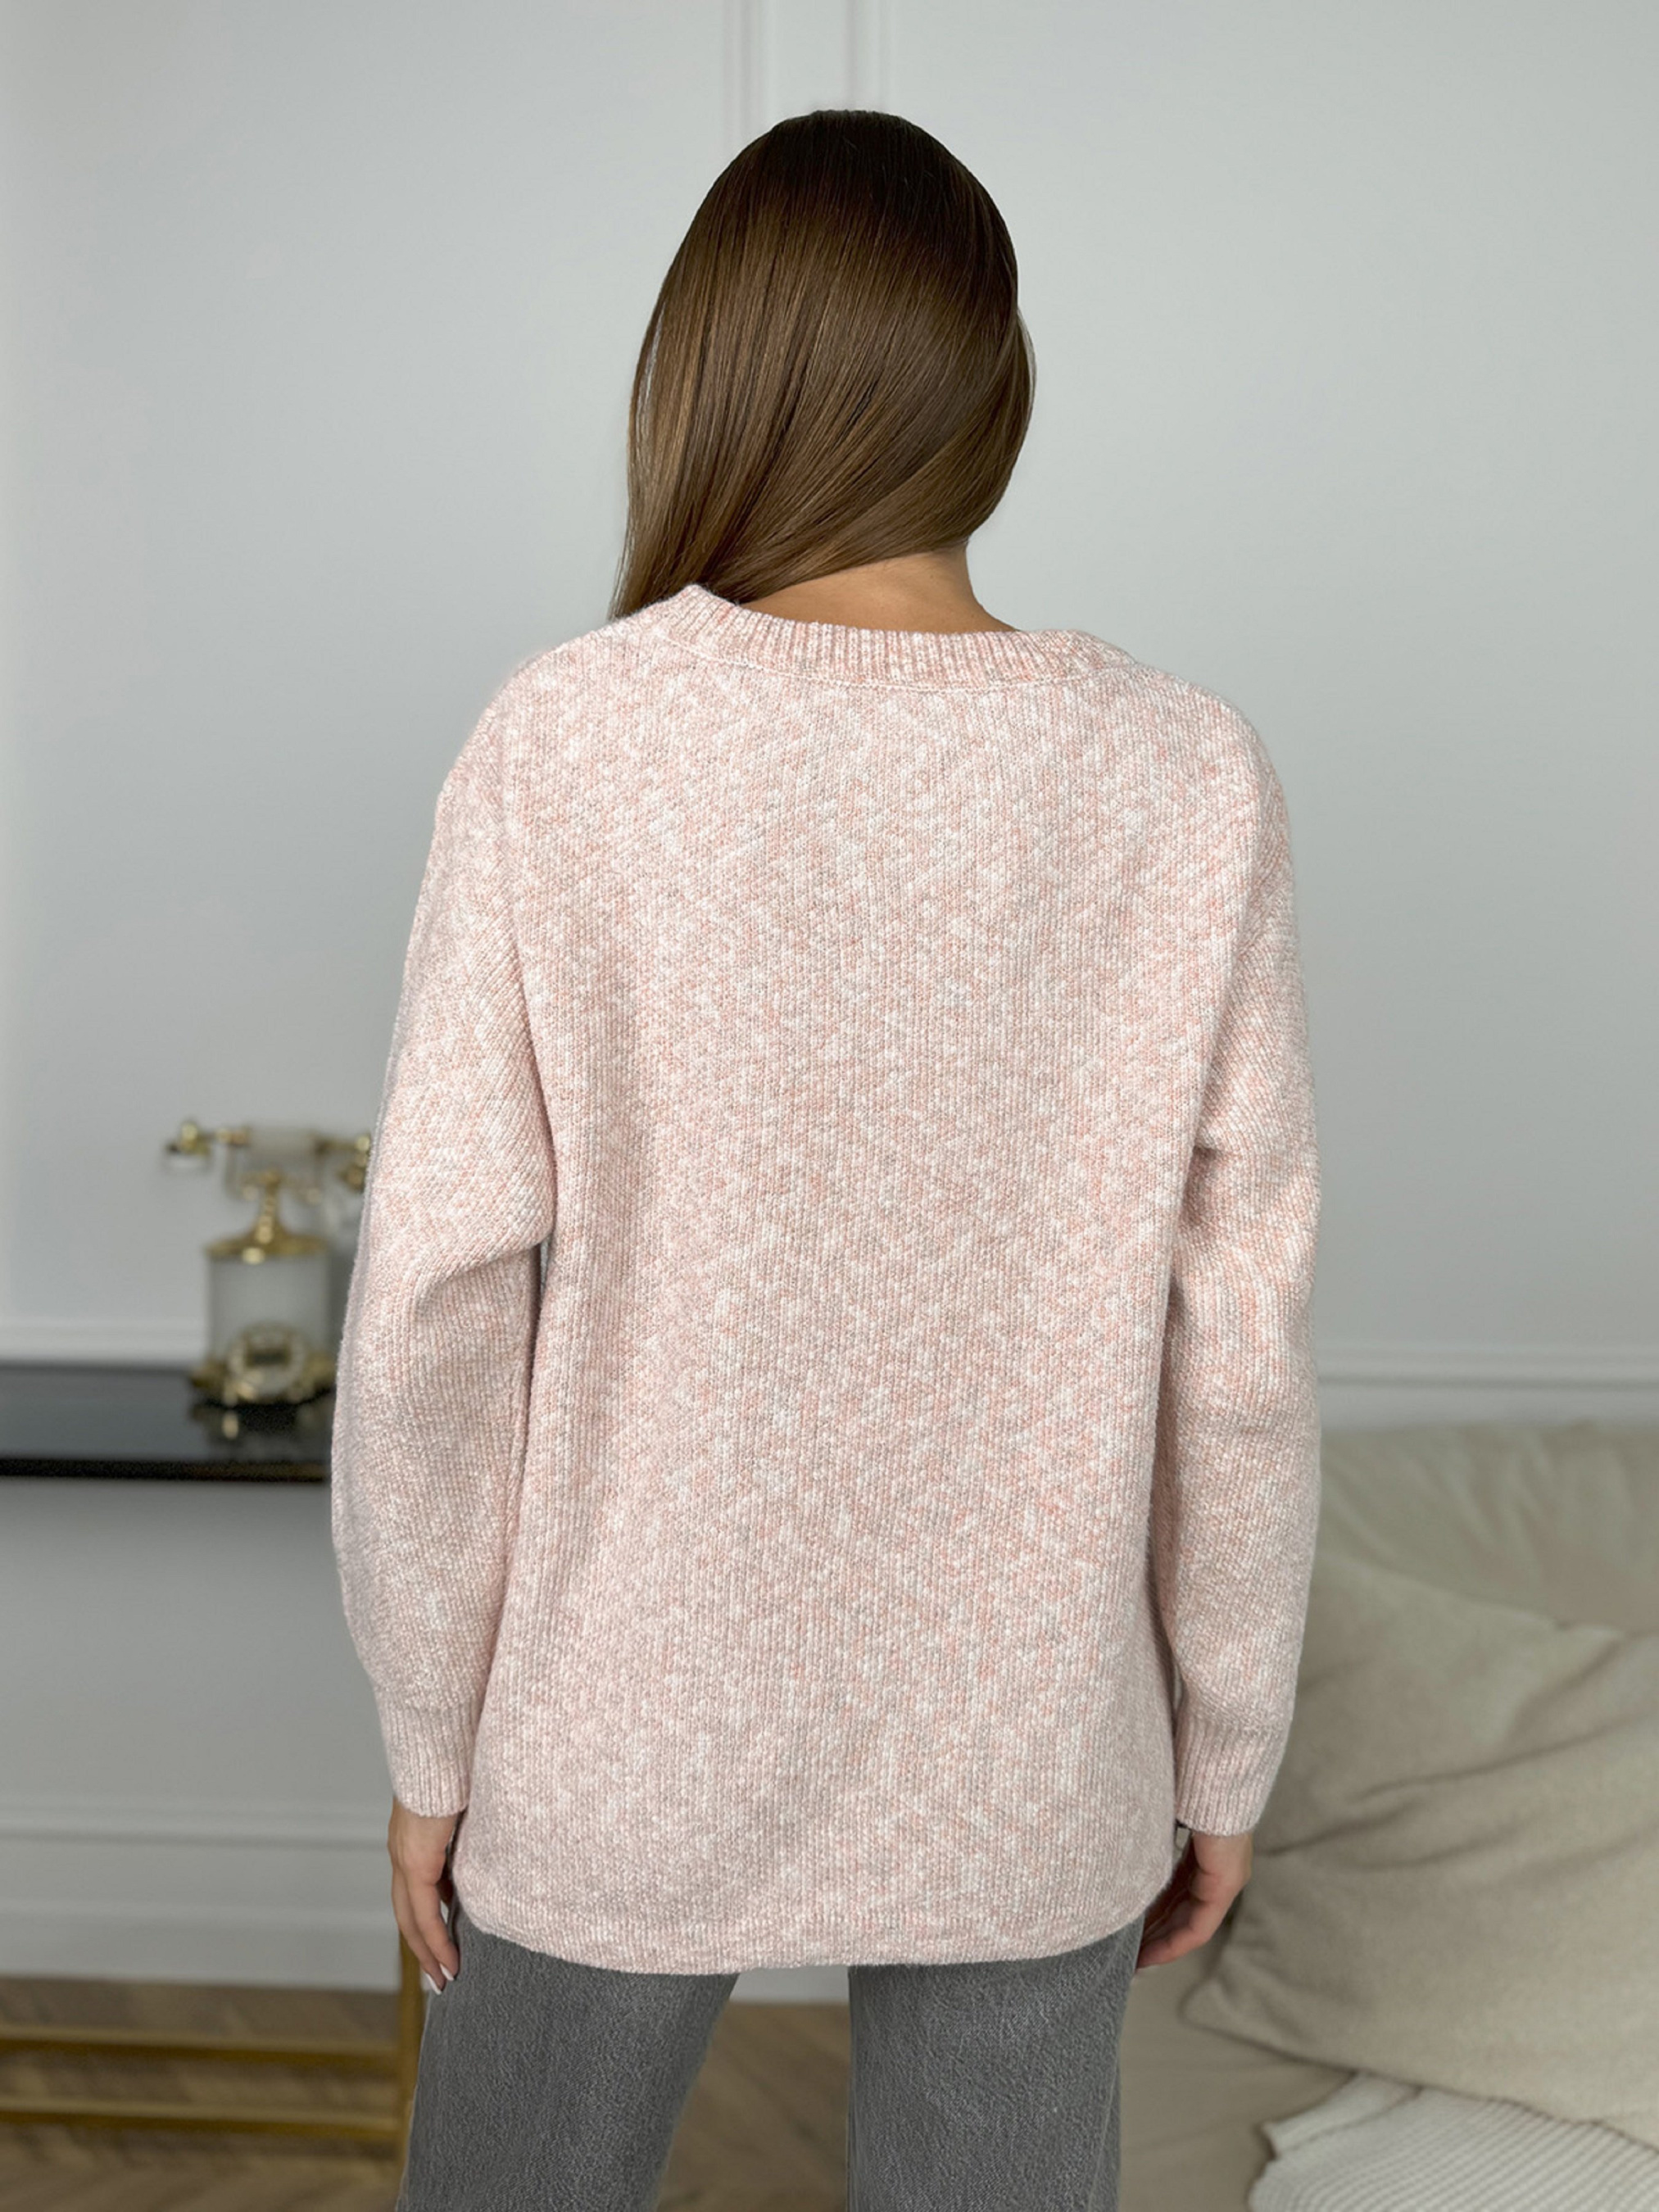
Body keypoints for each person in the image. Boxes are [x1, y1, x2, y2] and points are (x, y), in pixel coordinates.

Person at [330, 107, 1321, 2212]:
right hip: (1027, 1741)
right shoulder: (1179, 773)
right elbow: (1236, 1341)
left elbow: (430, 1302)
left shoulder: (566, 741)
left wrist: (430, 1734)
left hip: (615, 1720)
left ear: (702, 383)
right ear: (993, 388)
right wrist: (1222, 1747)